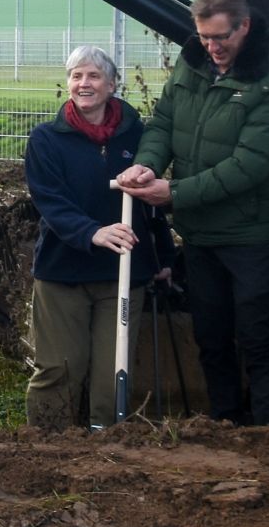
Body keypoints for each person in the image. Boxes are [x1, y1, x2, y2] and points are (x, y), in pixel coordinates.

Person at [117, 0, 269, 425]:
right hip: (200, 233)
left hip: (249, 233)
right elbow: (163, 123)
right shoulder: (192, 62)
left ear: (245, 27)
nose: (213, 47)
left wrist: (175, 194)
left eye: (222, 37)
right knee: (211, 336)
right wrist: (147, 164)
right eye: (205, 37)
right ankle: (224, 423)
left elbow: (249, 165)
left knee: (256, 335)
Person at [22, 44, 175, 429]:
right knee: (59, 368)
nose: (83, 83)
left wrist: (163, 259)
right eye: (76, 75)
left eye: (92, 76)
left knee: (115, 371)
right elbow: (50, 202)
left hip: (123, 272)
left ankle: (107, 448)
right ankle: (46, 445)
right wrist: (92, 232)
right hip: (63, 272)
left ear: (112, 84)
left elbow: (150, 206)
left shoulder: (138, 136)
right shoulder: (46, 139)